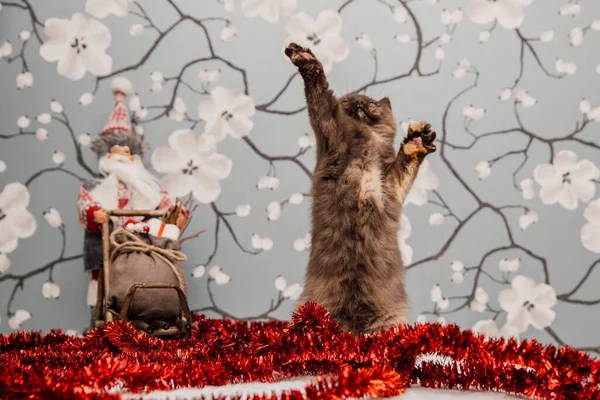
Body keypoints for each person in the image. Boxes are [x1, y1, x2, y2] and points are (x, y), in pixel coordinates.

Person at [76, 77, 186, 327]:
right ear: (107, 155)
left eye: (127, 152)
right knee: (101, 285)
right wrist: (96, 214)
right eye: (116, 152)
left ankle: (144, 321)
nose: (122, 157)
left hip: (138, 249)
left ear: (133, 155)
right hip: (105, 246)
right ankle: (101, 324)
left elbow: (165, 203)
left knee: (140, 280)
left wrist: (175, 215)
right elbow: (85, 206)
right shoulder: (94, 187)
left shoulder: (147, 186)